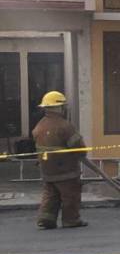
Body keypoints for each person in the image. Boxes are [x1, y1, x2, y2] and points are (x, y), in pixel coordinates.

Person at [31, 91, 87, 230]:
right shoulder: (65, 126)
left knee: (51, 194)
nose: (63, 108)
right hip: (66, 170)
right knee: (70, 195)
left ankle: (46, 219)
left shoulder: (39, 126)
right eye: (62, 106)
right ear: (58, 108)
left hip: (47, 169)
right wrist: (82, 154)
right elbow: (78, 146)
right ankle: (71, 220)